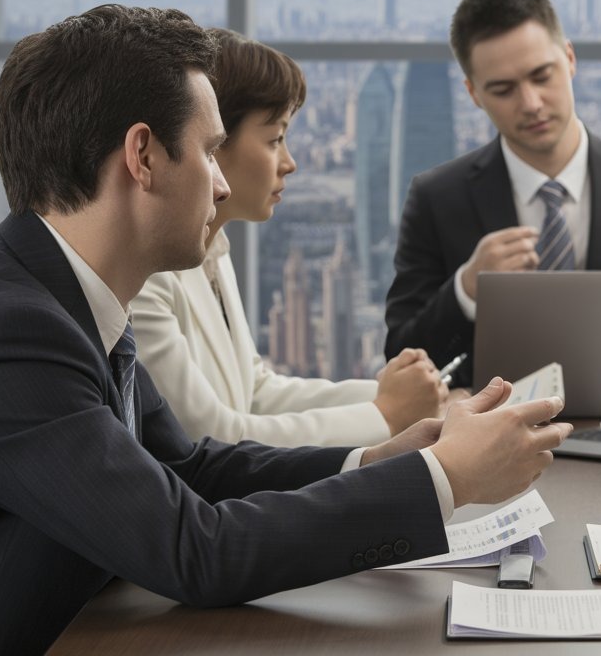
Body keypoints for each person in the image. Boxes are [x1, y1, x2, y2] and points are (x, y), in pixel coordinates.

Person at [0, 5, 571, 654]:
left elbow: (193, 468)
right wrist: (446, 477)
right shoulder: (13, 333)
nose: (221, 184)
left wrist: (377, 460)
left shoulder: (71, 295)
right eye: (209, 151)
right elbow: (195, 551)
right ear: (142, 157)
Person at [132, 29, 446, 448]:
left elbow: (256, 392)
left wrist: (395, 395)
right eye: (275, 139)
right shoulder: (147, 276)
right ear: (213, 143)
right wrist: (385, 414)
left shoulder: (215, 252)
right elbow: (207, 436)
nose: (290, 163)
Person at [384, 0, 601, 386]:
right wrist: (467, 287)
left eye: (541, 76)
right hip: (489, 439)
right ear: (474, 94)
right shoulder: (436, 199)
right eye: (503, 89)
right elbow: (401, 357)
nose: (531, 103)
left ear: (569, 58)